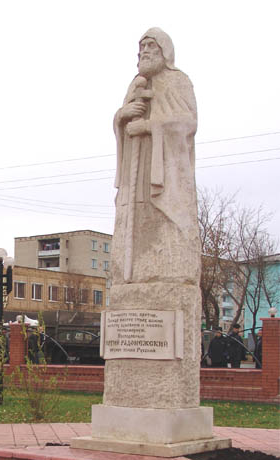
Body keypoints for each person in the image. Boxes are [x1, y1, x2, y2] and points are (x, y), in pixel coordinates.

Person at [112, 27, 200, 286]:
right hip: (135, 175)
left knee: (167, 234)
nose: (145, 51)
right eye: (142, 47)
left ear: (165, 51)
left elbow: (187, 123)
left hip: (164, 172)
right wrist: (123, 115)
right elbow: (122, 122)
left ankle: (168, 269)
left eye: (151, 46)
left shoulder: (178, 81)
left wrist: (150, 126)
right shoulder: (136, 85)